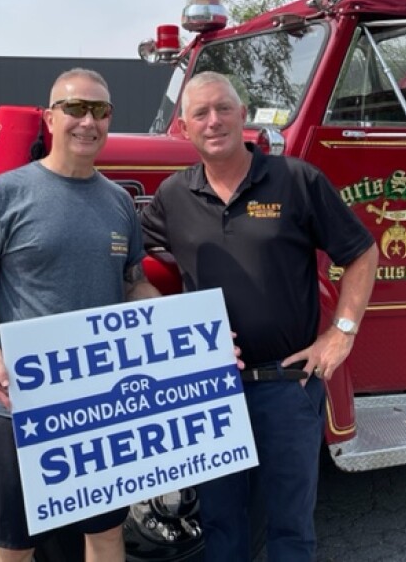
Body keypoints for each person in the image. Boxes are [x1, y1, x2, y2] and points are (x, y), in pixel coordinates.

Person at [140, 71, 379, 561]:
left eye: (223, 108)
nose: (213, 122)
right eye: (200, 114)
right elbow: (131, 268)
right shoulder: (172, 197)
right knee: (221, 527)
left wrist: (342, 333)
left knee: (290, 531)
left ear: (242, 115)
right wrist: (169, 323)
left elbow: (362, 253)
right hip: (209, 388)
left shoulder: (296, 179)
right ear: (183, 128)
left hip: (285, 386)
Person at [0, 68, 160, 562]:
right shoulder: (6, 194)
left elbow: (134, 282)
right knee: (15, 545)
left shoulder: (119, 203)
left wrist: (166, 319)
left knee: (105, 534)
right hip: (22, 401)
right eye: (75, 108)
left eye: (100, 111)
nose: (88, 122)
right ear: (50, 117)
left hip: (103, 402)